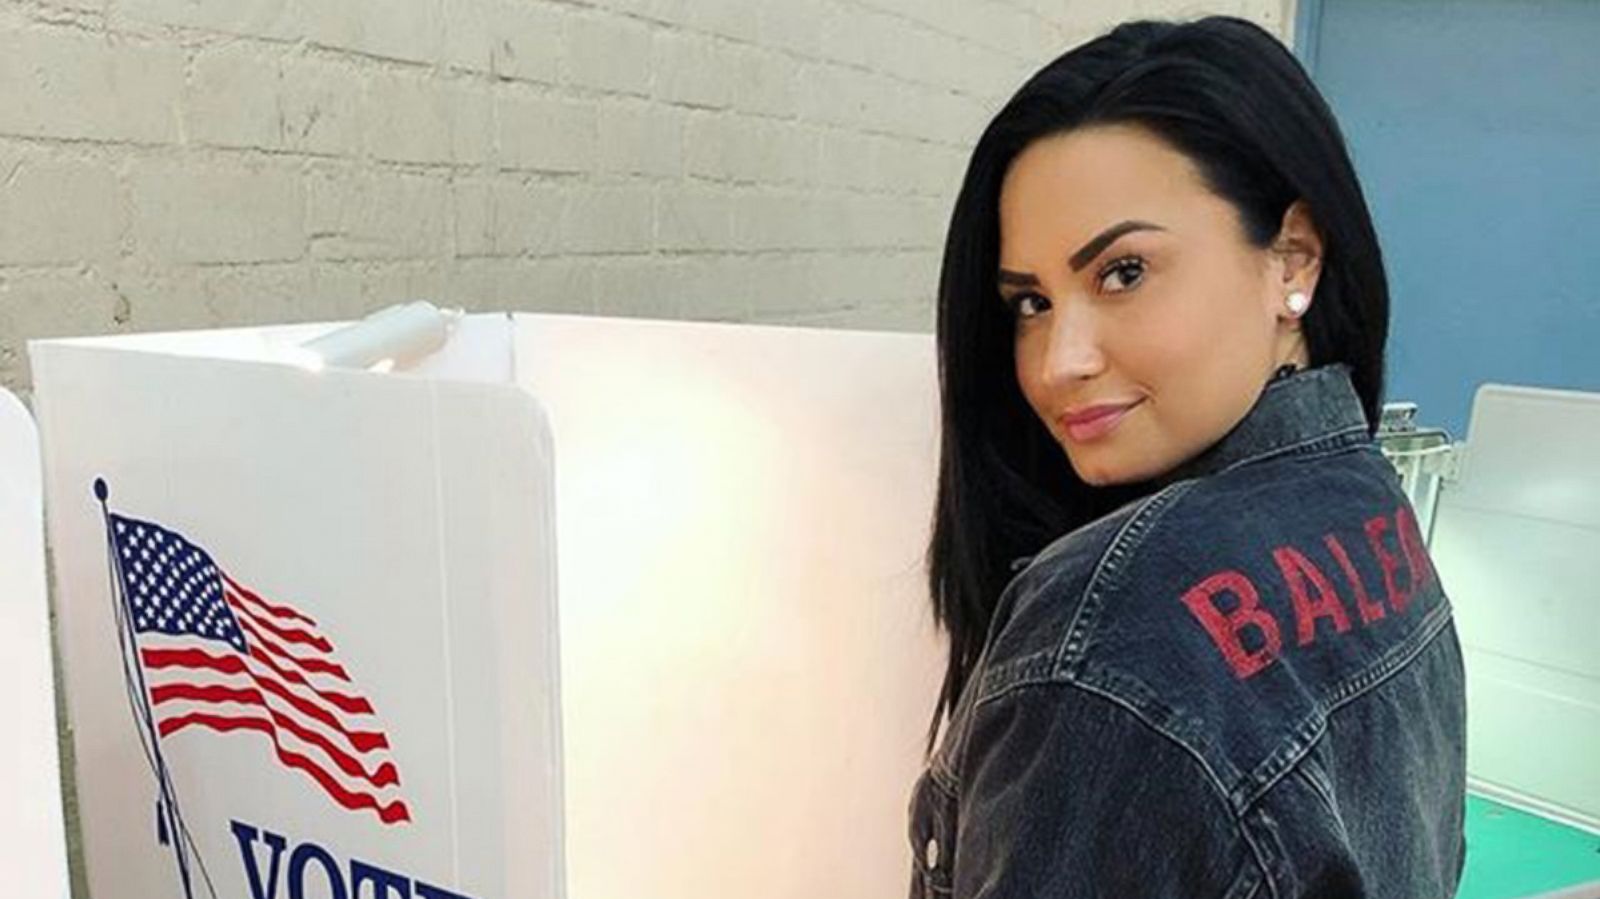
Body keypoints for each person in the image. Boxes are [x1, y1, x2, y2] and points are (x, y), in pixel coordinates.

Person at [911, 15, 1467, 898]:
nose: (1060, 361)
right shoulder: (1374, 509)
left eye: (1123, 272)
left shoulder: (1109, 633)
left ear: (1293, 258)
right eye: (1029, 303)